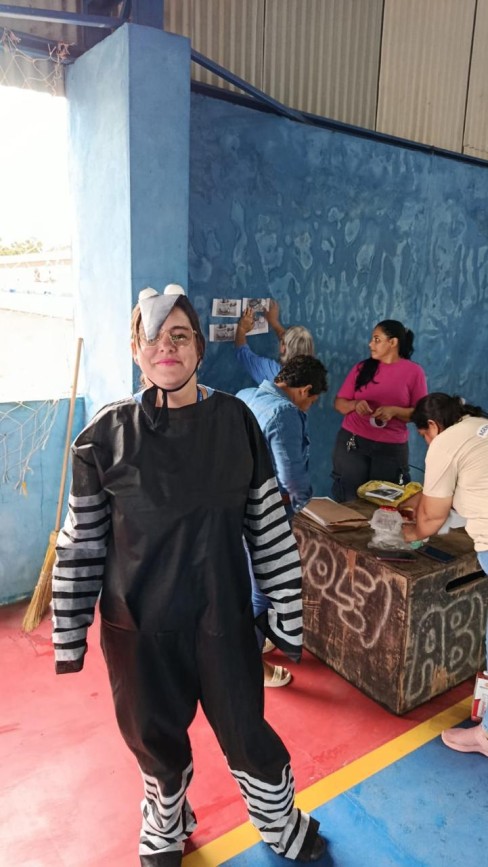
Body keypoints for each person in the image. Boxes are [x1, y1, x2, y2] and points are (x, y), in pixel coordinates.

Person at [51, 284, 329, 866]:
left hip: (220, 619)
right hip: (138, 626)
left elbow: (267, 528)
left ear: (199, 346)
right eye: (152, 337)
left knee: (247, 731)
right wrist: (69, 629)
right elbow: (83, 540)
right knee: (153, 736)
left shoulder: (235, 423)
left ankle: (279, 821)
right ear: (135, 350)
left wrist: (285, 612)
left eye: (179, 335)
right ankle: (165, 821)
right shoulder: (104, 435)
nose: (166, 347)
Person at [403, 393, 488, 758]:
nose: (426, 442)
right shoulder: (478, 428)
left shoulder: (445, 442)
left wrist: (406, 533)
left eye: (424, 435)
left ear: (433, 426)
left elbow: (431, 519)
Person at [237, 355, 328, 687]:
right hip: (267, 511)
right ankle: (250, 663)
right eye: (312, 400)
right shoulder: (284, 413)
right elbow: (291, 478)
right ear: (304, 390)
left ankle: (255, 640)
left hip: (238, 504)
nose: (309, 406)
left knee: (249, 581)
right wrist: (303, 505)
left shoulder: (246, 395)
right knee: (262, 588)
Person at [331, 319, 427, 502]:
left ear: (393, 342)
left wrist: (395, 411)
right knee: (348, 499)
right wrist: (355, 405)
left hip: (391, 450)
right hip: (354, 443)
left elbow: (421, 413)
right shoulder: (362, 368)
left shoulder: (414, 372)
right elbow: (339, 404)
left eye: (376, 339)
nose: (370, 344)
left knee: (384, 503)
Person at [235, 298, 315, 384]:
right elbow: (293, 342)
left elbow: (242, 353)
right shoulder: (312, 374)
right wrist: (274, 321)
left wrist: (242, 328)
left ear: (283, 348)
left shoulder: (268, 370)